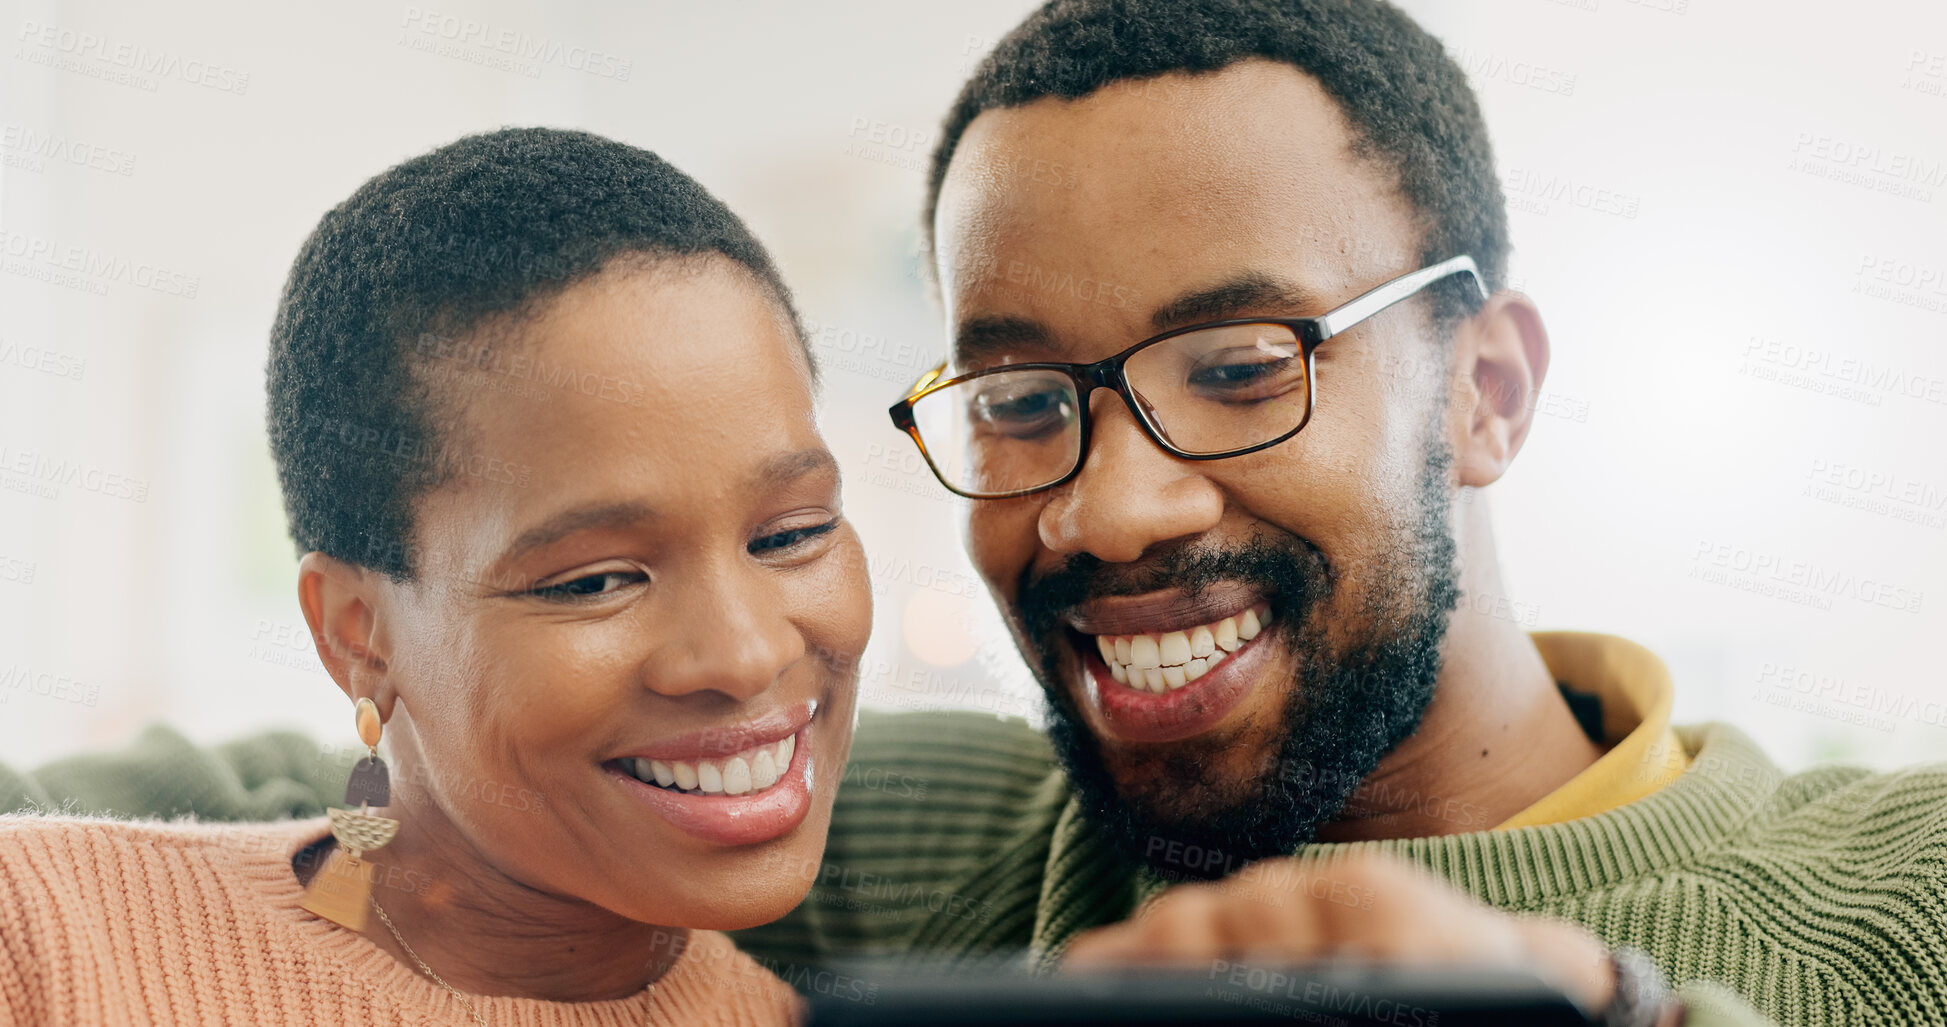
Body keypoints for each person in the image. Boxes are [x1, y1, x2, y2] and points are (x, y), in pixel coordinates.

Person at [10, 2, 1947, 1026]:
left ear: (1487, 394)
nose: (1106, 505)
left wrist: (1600, 1011)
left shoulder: (1897, 893)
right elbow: (372, 795)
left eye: (1238, 365)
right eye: (1024, 402)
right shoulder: (922, 841)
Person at [0, 127, 874, 1025]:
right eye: (593, 582)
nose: (743, 652)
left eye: (791, 534)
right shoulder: (41, 936)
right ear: (355, 632)